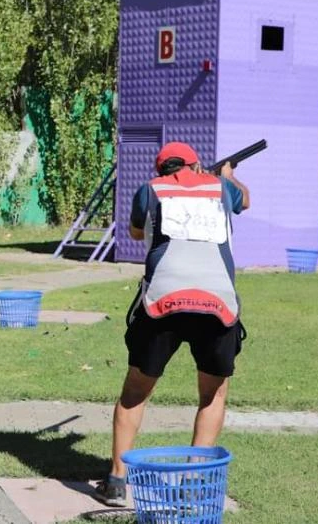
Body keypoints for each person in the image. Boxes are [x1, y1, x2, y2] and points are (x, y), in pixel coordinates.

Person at [95, 141, 249, 507]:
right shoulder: (221, 187)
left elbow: (135, 234)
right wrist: (227, 176)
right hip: (217, 305)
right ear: (197, 166)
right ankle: (194, 483)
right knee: (213, 393)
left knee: (135, 392)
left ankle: (117, 480)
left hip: (162, 302)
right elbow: (245, 199)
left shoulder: (151, 189)